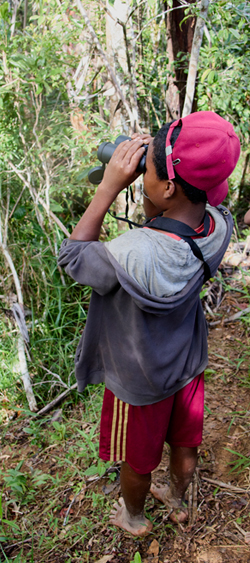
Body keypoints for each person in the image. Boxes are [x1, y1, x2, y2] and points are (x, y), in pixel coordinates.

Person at [58, 111, 240, 536]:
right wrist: (158, 183)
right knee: (184, 441)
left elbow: (73, 257)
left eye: (150, 170)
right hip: (187, 364)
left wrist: (107, 186)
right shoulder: (218, 227)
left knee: (137, 458)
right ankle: (177, 500)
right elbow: (188, 210)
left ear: (169, 186)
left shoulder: (131, 253)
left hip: (139, 380)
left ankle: (133, 517)